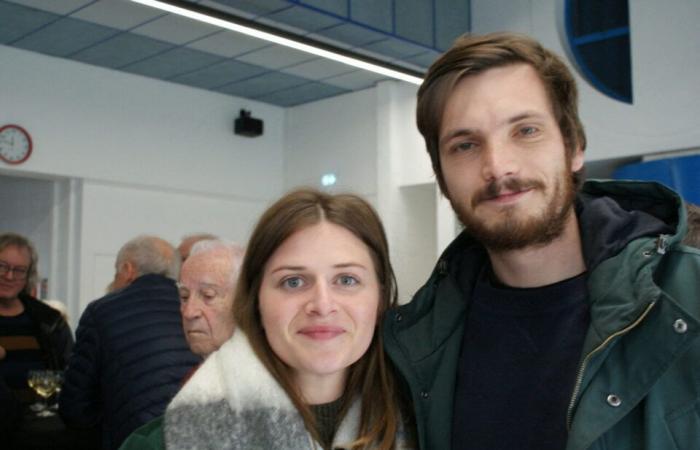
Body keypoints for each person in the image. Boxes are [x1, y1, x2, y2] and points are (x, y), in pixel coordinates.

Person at [382, 32, 700, 450]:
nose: (498, 166)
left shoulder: (687, 300)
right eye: (465, 145)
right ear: (441, 175)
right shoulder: (416, 343)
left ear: (574, 147)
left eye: (526, 130)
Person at [119, 189, 413, 450]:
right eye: (293, 282)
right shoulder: (165, 441)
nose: (322, 305)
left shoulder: (430, 426)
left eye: (347, 279)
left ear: (380, 298)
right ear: (255, 300)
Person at [59, 235, 200, 450]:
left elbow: (76, 408)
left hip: (134, 439)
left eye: (116, 272)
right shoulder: (197, 309)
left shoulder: (101, 311)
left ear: (127, 269)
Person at [0, 233, 73, 400]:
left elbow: (70, 373)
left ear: (28, 276)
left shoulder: (49, 321)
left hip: (39, 421)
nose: (9, 276)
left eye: (19, 270)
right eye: (2, 266)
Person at [178, 239, 245, 358]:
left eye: (208, 295)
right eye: (184, 297)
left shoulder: (266, 373)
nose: (189, 312)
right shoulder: (197, 374)